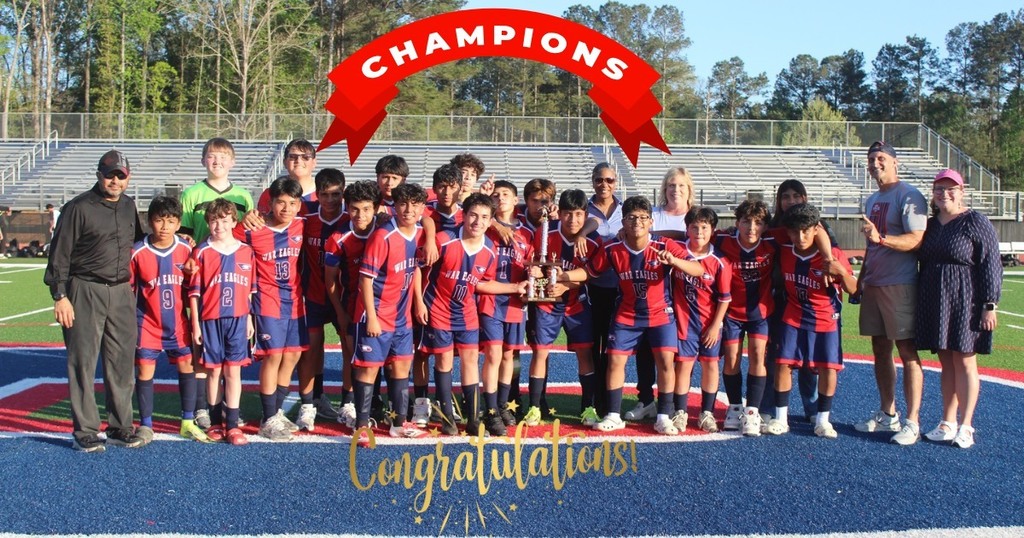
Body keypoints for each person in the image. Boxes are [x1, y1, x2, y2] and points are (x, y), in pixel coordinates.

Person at [561, 196, 704, 435]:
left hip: (660, 313)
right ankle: (614, 415)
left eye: (643, 217)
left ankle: (663, 416)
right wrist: (562, 277)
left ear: (650, 222)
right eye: (631, 217)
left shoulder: (664, 245)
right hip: (627, 313)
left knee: (665, 363)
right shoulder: (613, 248)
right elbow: (589, 272)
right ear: (623, 223)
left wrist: (675, 261)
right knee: (615, 361)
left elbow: (698, 269)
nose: (637, 222)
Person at [44, 149, 145, 452]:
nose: (115, 180)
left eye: (121, 176)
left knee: (122, 362)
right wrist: (60, 295)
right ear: (99, 174)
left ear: (128, 178)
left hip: (121, 291)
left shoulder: (129, 206)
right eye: (110, 174)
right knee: (83, 361)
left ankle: (120, 426)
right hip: (84, 289)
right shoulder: (78, 208)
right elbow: (59, 254)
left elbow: (140, 244)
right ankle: (85, 430)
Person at [417, 193, 528, 436]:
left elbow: (481, 283)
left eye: (484, 217)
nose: (478, 221)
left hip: (466, 310)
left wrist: (514, 288)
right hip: (438, 308)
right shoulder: (443, 240)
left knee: (471, 362)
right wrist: (419, 302)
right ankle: (447, 417)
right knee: (444, 361)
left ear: (491, 222)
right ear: (464, 215)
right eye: (473, 215)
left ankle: (473, 419)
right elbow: (418, 269)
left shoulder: (489, 250)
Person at [916, 169, 1002, 449]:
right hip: (935, 298)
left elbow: (991, 263)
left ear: (962, 190)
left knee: (965, 360)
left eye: (951, 188)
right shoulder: (930, 224)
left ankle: (966, 426)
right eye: (939, 188)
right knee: (945, 361)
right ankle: (947, 421)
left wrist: (989, 305)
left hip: (967, 298)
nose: (945, 193)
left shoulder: (975, 221)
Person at [179, 136, 255, 429]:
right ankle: (204, 408)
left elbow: (247, 239)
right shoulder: (192, 194)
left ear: (232, 161)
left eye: (223, 157)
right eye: (211, 157)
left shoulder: (244, 196)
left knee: (232, 363)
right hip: (204, 274)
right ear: (203, 161)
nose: (217, 162)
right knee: (205, 353)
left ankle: (230, 413)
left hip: (233, 280)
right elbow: (184, 235)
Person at [856, 141, 928, 445]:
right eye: (871, 159)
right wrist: (862, 277)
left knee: (907, 352)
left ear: (895, 162)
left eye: (881, 158)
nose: (875, 164)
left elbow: (916, 239)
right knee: (879, 350)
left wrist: (882, 238)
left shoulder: (909, 195)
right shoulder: (873, 198)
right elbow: (872, 245)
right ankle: (888, 413)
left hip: (900, 284)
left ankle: (912, 420)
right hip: (875, 282)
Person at [765, 203, 857, 438]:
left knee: (828, 368)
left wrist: (841, 272)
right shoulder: (785, 244)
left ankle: (823, 420)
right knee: (783, 363)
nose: (800, 236)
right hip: (793, 313)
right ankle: (781, 418)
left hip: (825, 317)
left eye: (806, 230)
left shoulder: (832, 255)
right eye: (795, 231)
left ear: (816, 229)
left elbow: (855, 290)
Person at [351, 183, 429, 445]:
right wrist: (371, 317)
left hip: (402, 316)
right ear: (394, 205)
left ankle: (398, 422)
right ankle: (362, 426)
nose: (409, 210)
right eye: (403, 204)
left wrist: (418, 302)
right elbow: (365, 280)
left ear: (421, 207)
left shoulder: (419, 232)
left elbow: (416, 269)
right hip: (376, 314)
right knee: (369, 369)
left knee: (401, 366)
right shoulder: (382, 235)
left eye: (414, 205)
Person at [129, 196, 209, 445]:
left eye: (170, 221)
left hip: (178, 323)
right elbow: (130, 291)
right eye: (159, 220)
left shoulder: (186, 250)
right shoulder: (137, 252)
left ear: (178, 224)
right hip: (147, 324)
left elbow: (192, 288)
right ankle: (146, 424)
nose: (164, 226)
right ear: (149, 221)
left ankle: (187, 421)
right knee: (144, 370)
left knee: (188, 367)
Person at [235, 177, 309, 441]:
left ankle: (275, 412)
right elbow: (222, 239)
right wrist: (247, 217)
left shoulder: (302, 224)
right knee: (273, 356)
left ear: (299, 205)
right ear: (270, 203)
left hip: (296, 302)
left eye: (292, 203)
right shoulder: (250, 229)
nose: (286, 208)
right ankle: (267, 419)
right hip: (267, 301)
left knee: (292, 356)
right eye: (280, 203)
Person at [523, 189, 601, 428]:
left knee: (585, 353)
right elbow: (534, 264)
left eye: (578, 214)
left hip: (577, 303)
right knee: (540, 352)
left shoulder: (593, 240)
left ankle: (588, 406)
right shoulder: (544, 232)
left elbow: (589, 274)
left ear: (585, 215)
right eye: (567, 213)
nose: (573, 220)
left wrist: (564, 283)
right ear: (560, 213)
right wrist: (534, 272)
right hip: (547, 303)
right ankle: (535, 406)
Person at [630, 167, 696, 421]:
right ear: (664, 189)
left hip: (686, 293)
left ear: (689, 189)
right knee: (647, 349)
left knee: (678, 352)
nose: (675, 190)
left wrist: (660, 236)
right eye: (671, 185)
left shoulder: (693, 217)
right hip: (652, 292)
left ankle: (676, 405)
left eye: (681, 185)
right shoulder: (653, 215)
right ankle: (646, 399)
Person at [188, 198, 255, 446]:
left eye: (225, 220)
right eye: (214, 220)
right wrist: (196, 325)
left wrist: (249, 319)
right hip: (210, 319)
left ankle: (233, 425)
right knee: (214, 371)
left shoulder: (246, 251)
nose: (219, 225)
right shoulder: (202, 252)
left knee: (233, 371)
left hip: (237, 319)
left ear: (233, 222)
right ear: (208, 222)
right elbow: (194, 294)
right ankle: (215, 422)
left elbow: (249, 290)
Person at [714, 200, 777, 436]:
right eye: (746, 222)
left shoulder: (773, 243)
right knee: (731, 359)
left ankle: (752, 411)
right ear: (737, 222)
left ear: (765, 226)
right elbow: (694, 234)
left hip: (761, 313)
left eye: (758, 223)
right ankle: (734, 407)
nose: (752, 227)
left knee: (758, 356)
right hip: (732, 313)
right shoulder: (722, 240)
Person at [324, 181, 382, 427]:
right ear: (347, 208)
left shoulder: (386, 230)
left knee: (387, 360)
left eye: (367, 209)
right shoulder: (338, 238)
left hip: (388, 307)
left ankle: (385, 408)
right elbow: (331, 281)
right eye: (355, 209)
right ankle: (350, 406)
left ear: (376, 209)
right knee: (353, 356)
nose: (360, 215)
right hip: (351, 307)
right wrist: (340, 313)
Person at [479, 180, 533, 433]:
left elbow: (532, 264)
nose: (501, 198)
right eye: (496, 194)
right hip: (490, 298)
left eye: (506, 194)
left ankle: (502, 405)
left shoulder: (527, 233)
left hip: (515, 301)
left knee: (509, 355)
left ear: (515, 200)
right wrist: (492, 222)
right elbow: (465, 215)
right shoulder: (484, 226)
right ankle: (489, 408)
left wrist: (535, 272)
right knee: (493, 354)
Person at [295, 168, 347, 431]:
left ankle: (349, 403)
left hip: (343, 296)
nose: (330, 200)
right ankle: (310, 402)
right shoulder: (305, 217)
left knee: (350, 347)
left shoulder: (352, 219)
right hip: (313, 294)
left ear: (343, 193)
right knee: (311, 349)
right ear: (316, 194)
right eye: (324, 195)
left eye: (336, 194)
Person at [672, 207, 732, 433]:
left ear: (712, 230)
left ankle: (706, 412)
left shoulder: (720, 261)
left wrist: (716, 326)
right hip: (684, 321)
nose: (699, 232)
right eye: (694, 227)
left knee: (710, 364)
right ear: (686, 229)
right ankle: (680, 411)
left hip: (709, 324)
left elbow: (725, 299)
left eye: (704, 227)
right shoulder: (677, 251)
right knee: (684, 365)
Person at [582, 163, 622, 417]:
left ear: (616, 183)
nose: (604, 184)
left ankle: (609, 403)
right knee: (592, 345)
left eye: (609, 180)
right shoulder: (583, 209)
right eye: (599, 180)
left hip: (620, 289)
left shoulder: (626, 209)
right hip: (590, 287)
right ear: (593, 181)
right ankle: (591, 401)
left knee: (613, 347)